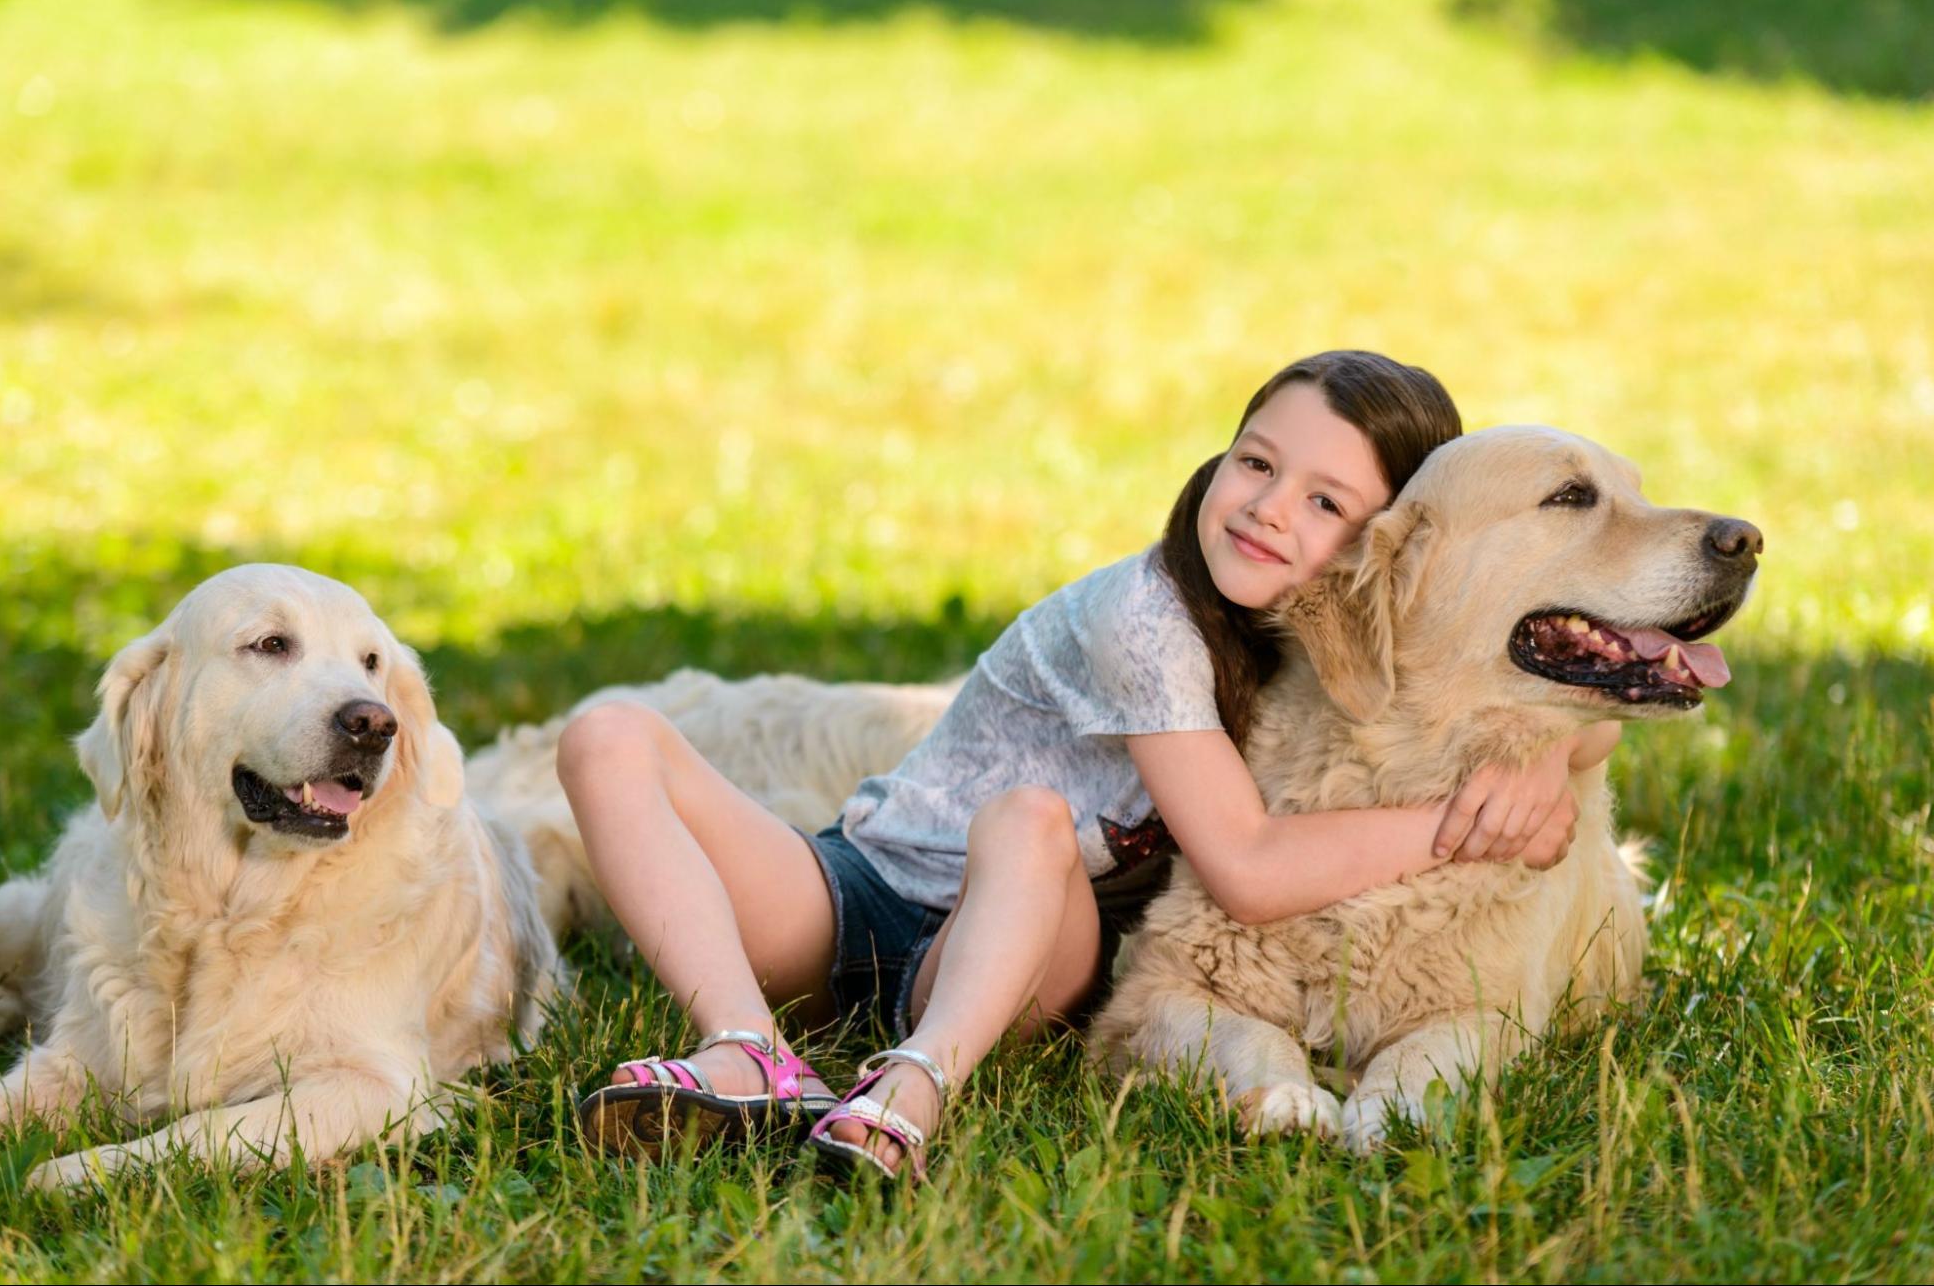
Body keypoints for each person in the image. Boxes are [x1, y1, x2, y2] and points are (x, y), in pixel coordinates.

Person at [558, 350, 1619, 1180]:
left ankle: (915, 1087)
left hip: (1018, 951)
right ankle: (746, 1046)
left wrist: (1558, 752)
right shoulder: (1143, 618)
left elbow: (1518, 672)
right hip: (858, 892)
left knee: (1028, 822)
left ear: (1380, 548)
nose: (1266, 509)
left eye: (1324, 503)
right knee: (606, 734)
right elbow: (1246, 869)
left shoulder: (1328, 631)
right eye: (1256, 462)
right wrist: (1467, 821)